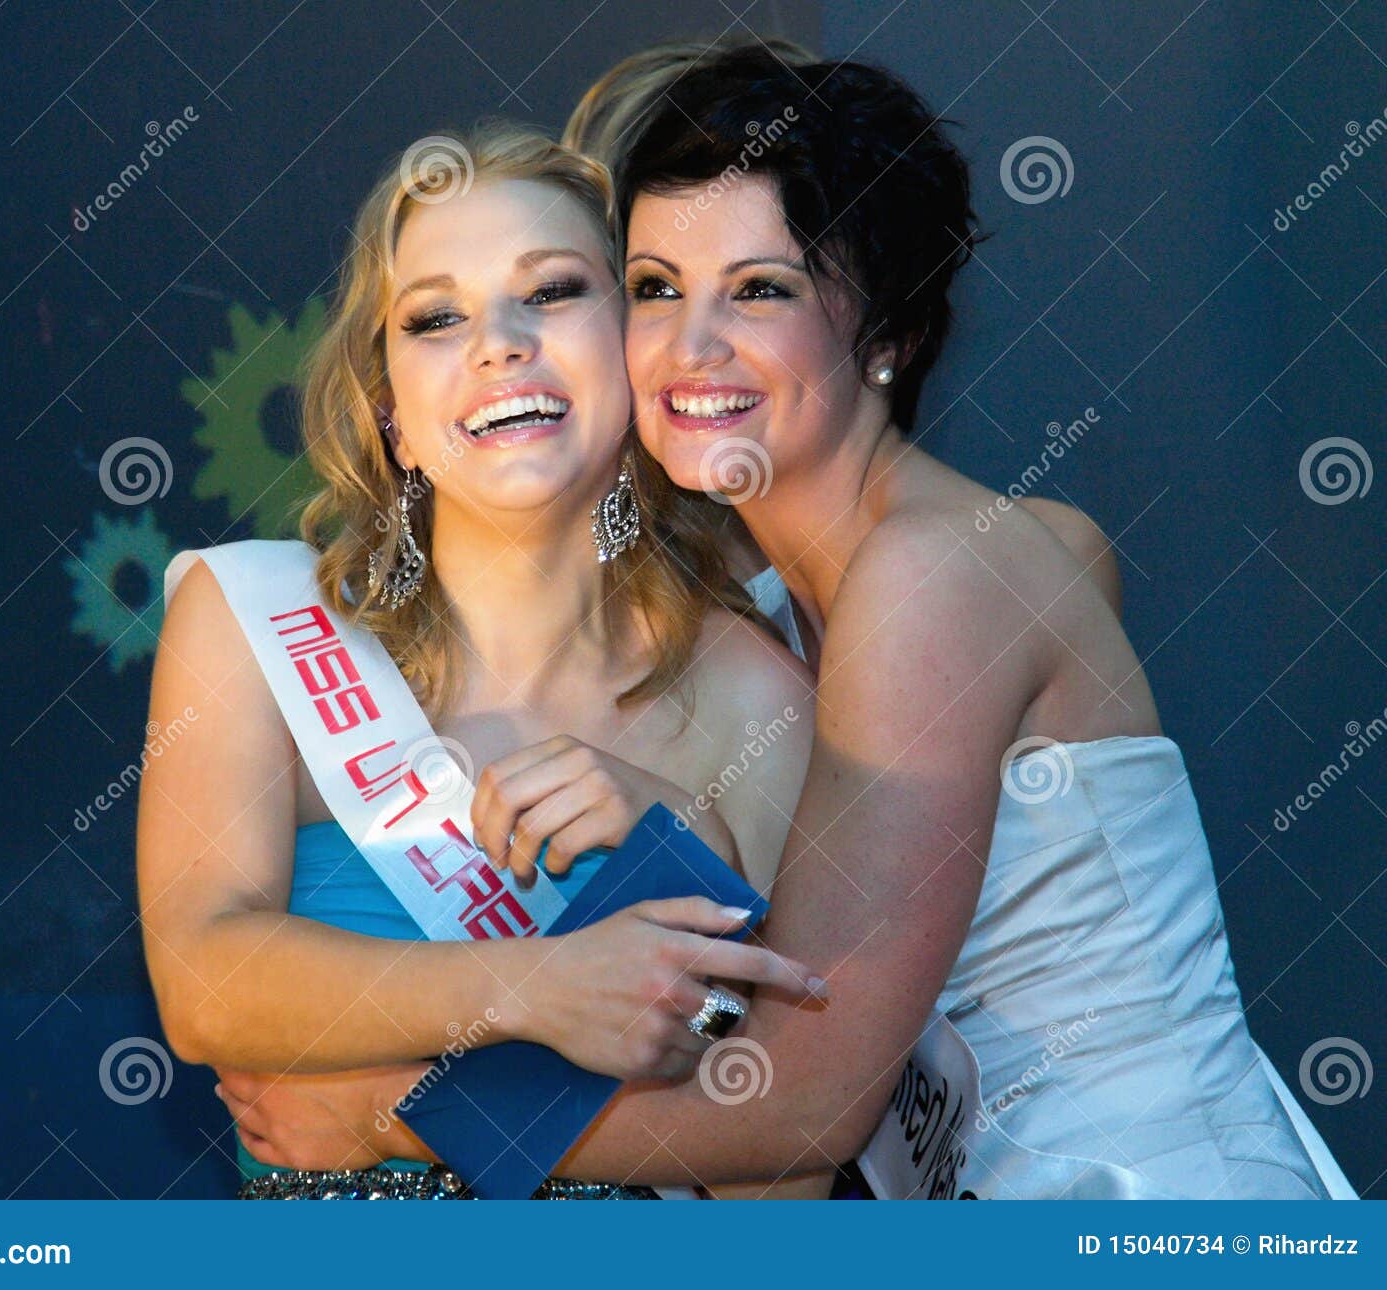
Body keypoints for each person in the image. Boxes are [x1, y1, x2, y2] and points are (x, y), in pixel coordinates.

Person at [240, 44, 1356, 1200]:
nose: (690, 345)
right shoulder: (822, 595)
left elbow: (804, 1101)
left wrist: (386, 1115)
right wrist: (686, 829)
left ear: (887, 336)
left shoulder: (927, 579)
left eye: (759, 289)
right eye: (658, 286)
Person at [137, 120, 826, 1200]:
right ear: (392, 419)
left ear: (640, 347)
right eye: (437, 317)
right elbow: (201, 985)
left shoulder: (759, 700)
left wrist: (696, 845)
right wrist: (541, 987)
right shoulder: (253, 618)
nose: (498, 343)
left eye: (551, 292)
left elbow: (783, 1162)